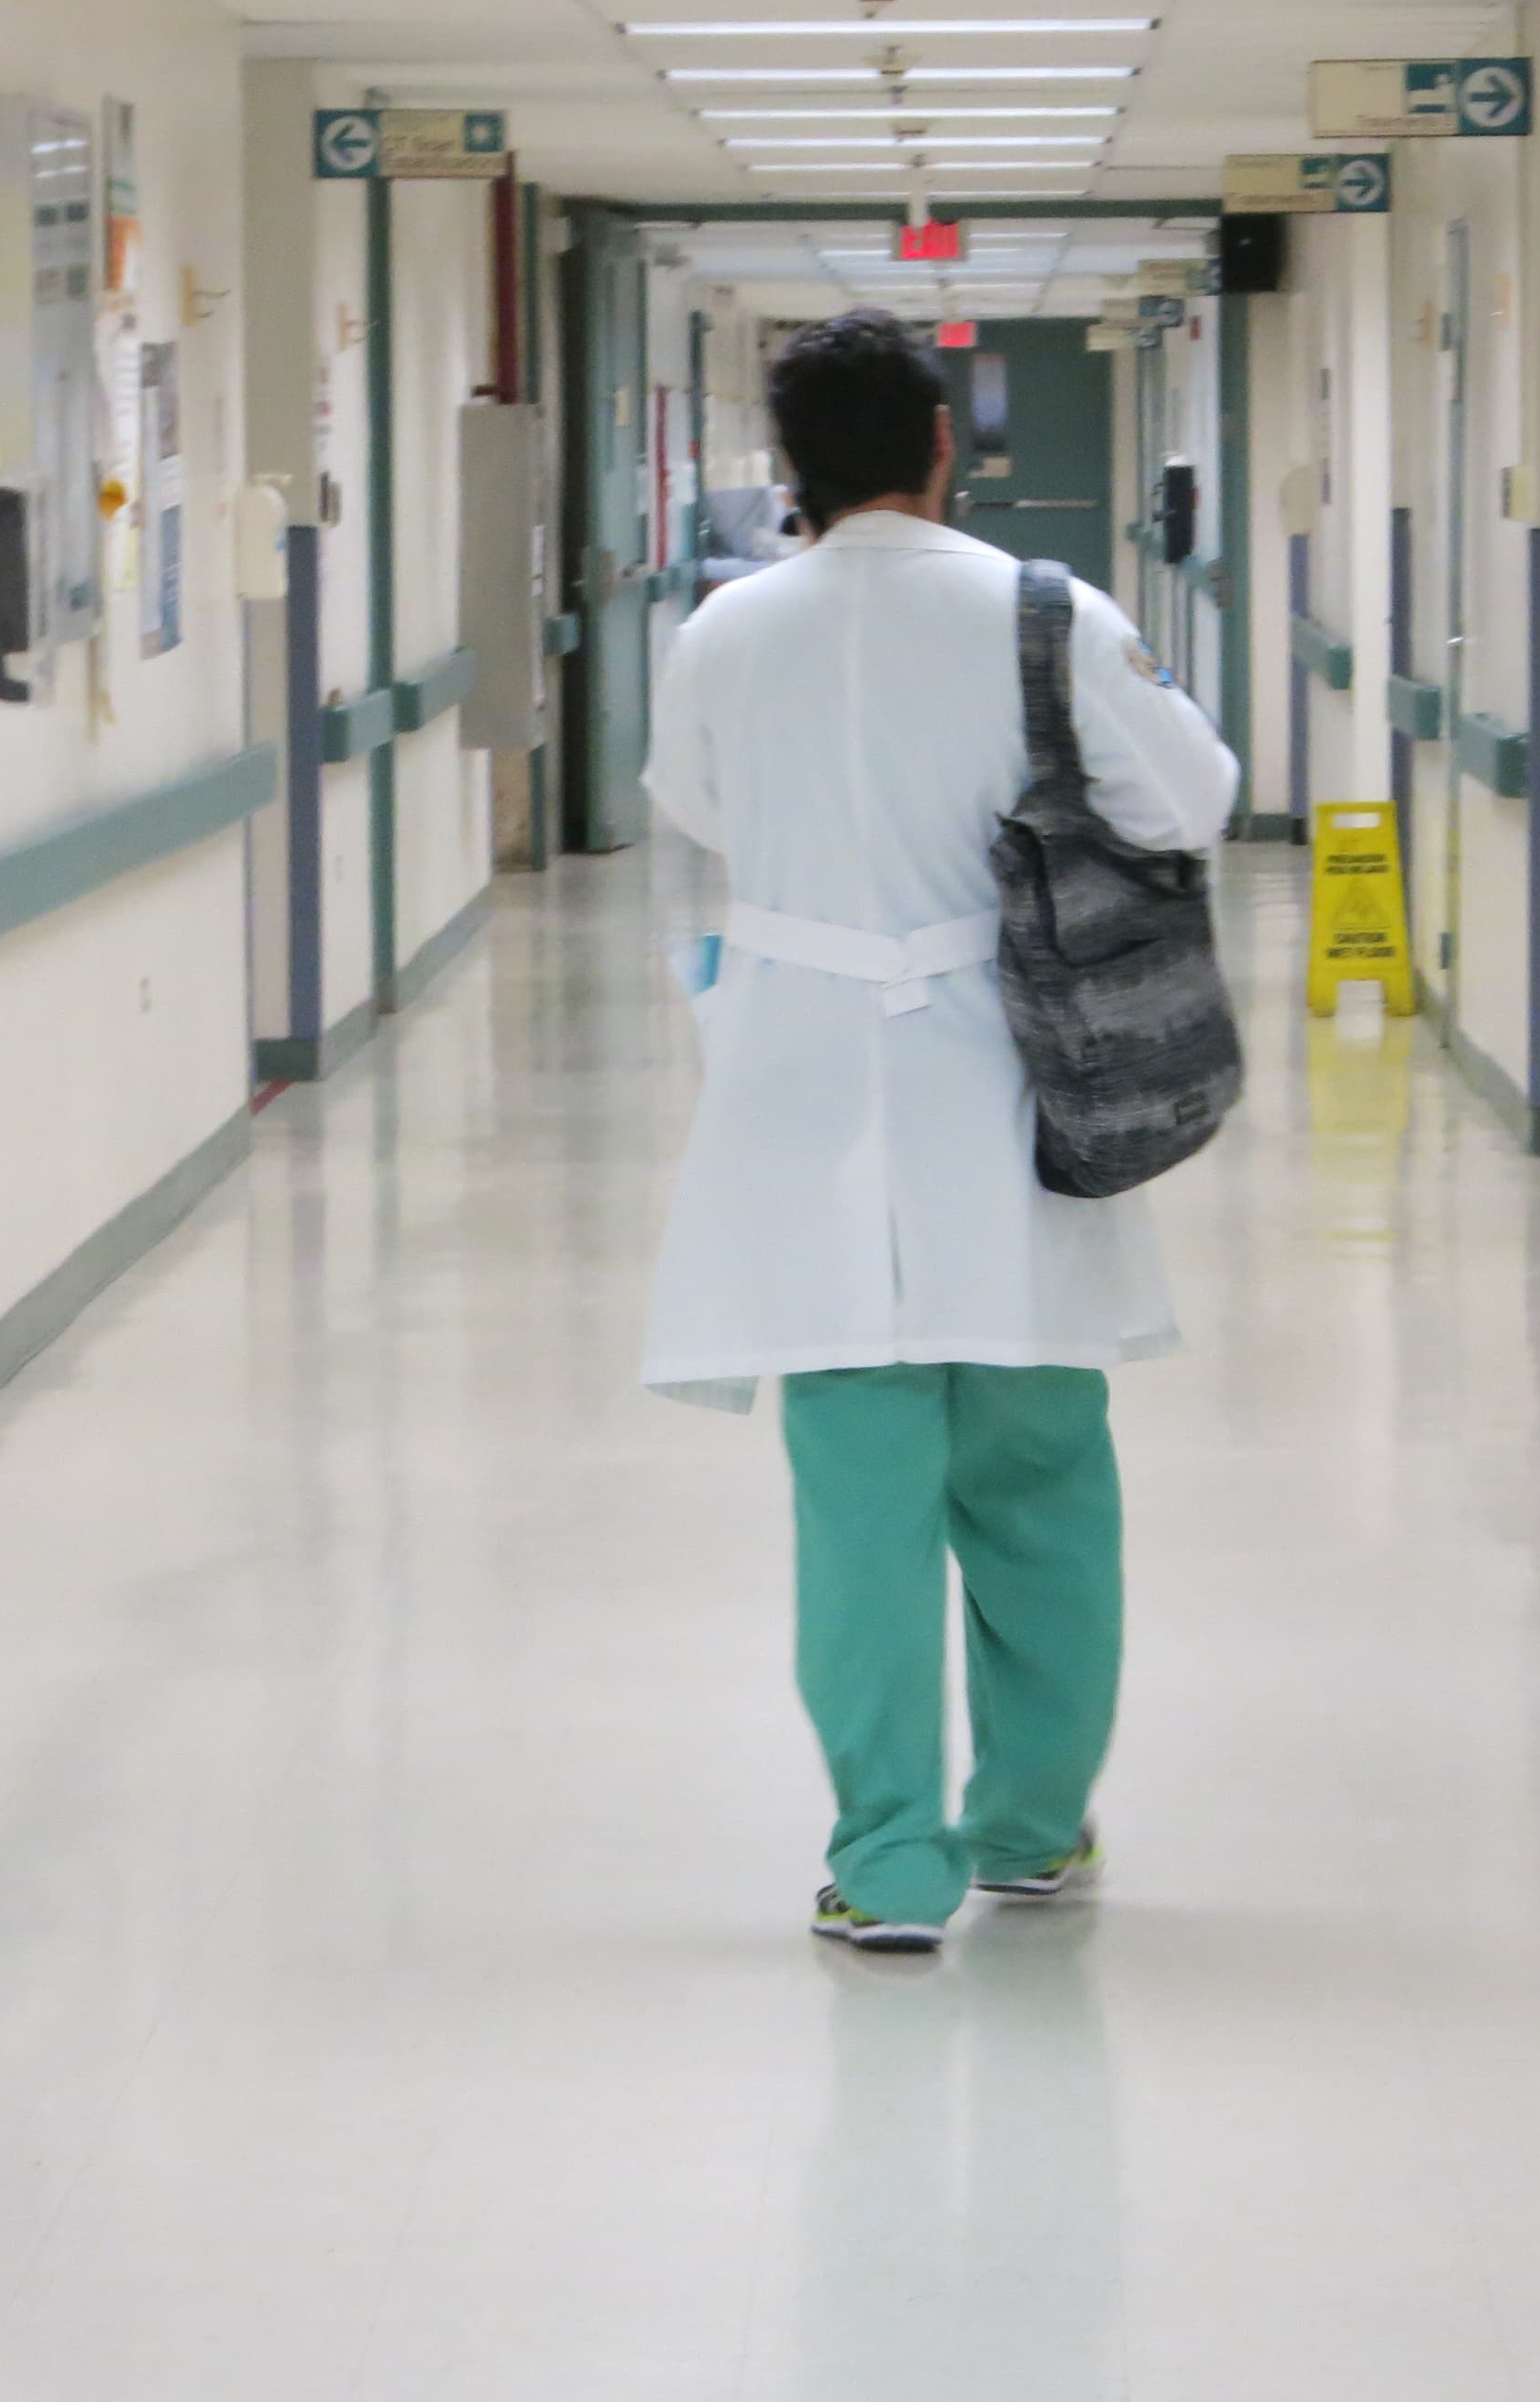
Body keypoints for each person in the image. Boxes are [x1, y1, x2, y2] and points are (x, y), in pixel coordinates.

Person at [641, 308, 1240, 1955]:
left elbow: (693, 802)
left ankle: (888, 1862)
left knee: (856, 1494)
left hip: (802, 1083)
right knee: (1038, 1471)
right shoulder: (1046, 614)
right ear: (937, 448)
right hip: (1016, 1077)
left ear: (793, 470)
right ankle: (1031, 1830)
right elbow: (1188, 802)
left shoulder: (724, 631)